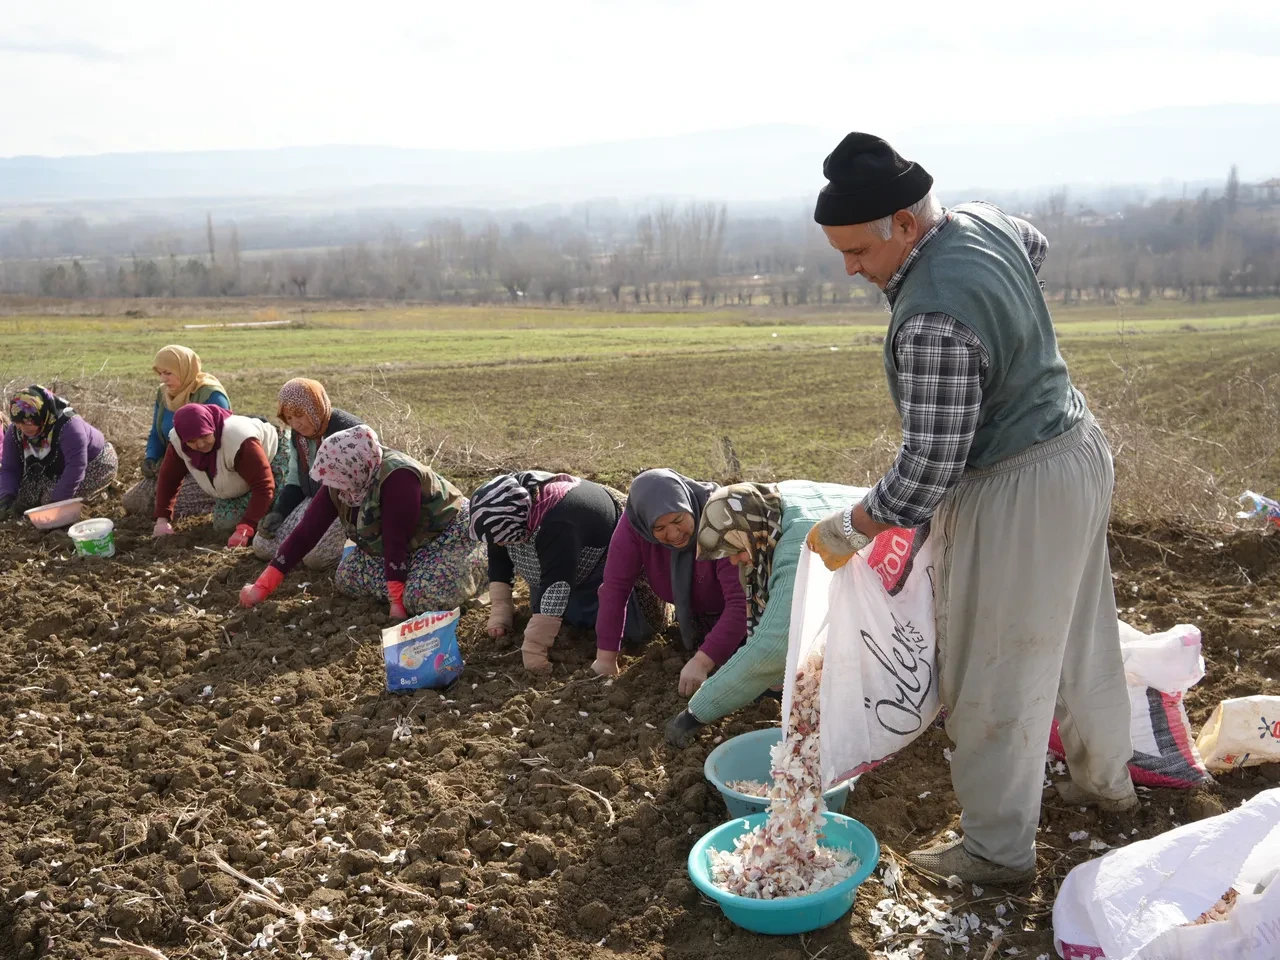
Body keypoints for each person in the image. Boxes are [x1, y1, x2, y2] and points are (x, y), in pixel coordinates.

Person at [804, 132, 1134, 883]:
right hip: (1077, 446)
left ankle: (995, 850)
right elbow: (1034, 245)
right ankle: (1106, 784)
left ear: (907, 226)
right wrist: (1011, 331)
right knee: (1082, 635)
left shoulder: (931, 322)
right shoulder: (983, 221)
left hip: (1018, 486)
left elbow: (927, 473)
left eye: (857, 251)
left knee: (996, 670)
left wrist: (849, 528)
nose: (850, 269)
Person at [663, 479, 865, 748]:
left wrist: (694, 714)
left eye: (736, 550)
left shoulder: (800, 543)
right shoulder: (768, 508)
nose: (734, 560)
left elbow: (775, 646)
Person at [239, 425, 486, 618]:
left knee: (429, 596)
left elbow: (395, 540)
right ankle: (407, 580)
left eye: (336, 481)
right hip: (403, 548)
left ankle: (480, 566)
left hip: (444, 536)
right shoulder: (341, 478)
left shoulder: (398, 478)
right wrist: (262, 587)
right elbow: (306, 532)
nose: (333, 488)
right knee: (346, 577)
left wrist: (396, 602)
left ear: (354, 469)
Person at [469, 471, 666, 674]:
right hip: (564, 565)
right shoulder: (506, 507)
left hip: (606, 560)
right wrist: (501, 609)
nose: (499, 543)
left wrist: (534, 649)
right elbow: (499, 554)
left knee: (636, 630)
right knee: (549, 612)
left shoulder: (559, 521)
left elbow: (557, 586)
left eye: (502, 539)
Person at [593, 469, 747, 694]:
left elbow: (741, 602)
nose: (674, 534)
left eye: (678, 520)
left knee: (747, 673)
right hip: (700, 612)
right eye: (660, 528)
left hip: (752, 610)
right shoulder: (634, 526)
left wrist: (702, 662)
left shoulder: (721, 518)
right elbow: (614, 590)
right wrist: (605, 658)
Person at [253, 378, 362, 569]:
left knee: (315, 559)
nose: (296, 424)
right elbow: (295, 478)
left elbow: (357, 486)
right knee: (263, 546)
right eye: (289, 418)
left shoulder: (346, 430)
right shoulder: (299, 436)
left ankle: (353, 549)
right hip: (313, 500)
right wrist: (280, 511)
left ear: (315, 406)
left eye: (299, 415)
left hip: (344, 506)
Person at [151, 405, 287, 547]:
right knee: (224, 524)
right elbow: (169, 478)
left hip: (274, 456)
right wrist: (162, 519)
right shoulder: (179, 441)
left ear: (212, 427)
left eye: (204, 436)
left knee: (277, 510)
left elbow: (264, 485)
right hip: (240, 477)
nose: (200, 444)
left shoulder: (239, 440)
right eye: (191, 441)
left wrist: (246, 528)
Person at [123, 345, 230, 518]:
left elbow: (221, 442)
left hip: (205, 469)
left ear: (184, 369)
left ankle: (219, 502)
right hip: (173, 464)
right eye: (160, 373)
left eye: (168, 373)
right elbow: (157, 432)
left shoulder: (210, 395)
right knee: (132, 501)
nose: (163, 379)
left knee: (172, 507)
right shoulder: (164, 393)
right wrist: (151, 457)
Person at [0, 386, 119, 519]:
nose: (22, 429)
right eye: (18, 423)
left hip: (95, 464)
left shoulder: (69, 425)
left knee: (48, 501)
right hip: (54, 469)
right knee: (22, 498)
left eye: (27, 423)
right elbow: (9, 468)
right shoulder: (15, 431)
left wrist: (55, 504)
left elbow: (76, 467)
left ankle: (100, 493)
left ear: (40, 416)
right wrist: (6, 498)